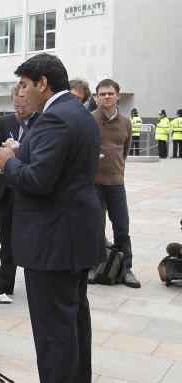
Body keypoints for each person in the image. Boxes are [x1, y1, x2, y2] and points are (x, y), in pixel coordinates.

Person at [0, 53, 105, 383]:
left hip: (56, 239)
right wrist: (21, 153)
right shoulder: (78, 112)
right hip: (73, 235)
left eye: (24, 85)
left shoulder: (56, 117)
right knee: (73, 324)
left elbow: (39, 181)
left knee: (55, 328)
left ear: (42, 83)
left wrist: (8, 162)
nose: (21, 92)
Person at [0, 84, 38, 304]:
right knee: (6, 237)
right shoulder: (6, 121)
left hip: (29, 186)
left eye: (25, 105)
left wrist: (20, 153)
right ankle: (4, 282)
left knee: (31, 237)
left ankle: (35, 282)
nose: (21, 110)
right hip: (7, 187)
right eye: (16, 106)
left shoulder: (43, 122)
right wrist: (3, 148)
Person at [90, 79, 140, 288]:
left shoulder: (126, 122)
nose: (107, 97)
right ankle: (94, 267)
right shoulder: (90, 120)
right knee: (94, 227)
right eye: (102, 94)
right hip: (94, 183)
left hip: (116, 183)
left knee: (121, 227)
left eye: (110, 93)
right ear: (96, 98)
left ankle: (126, 268)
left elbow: (124, 150)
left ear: (118, 96)